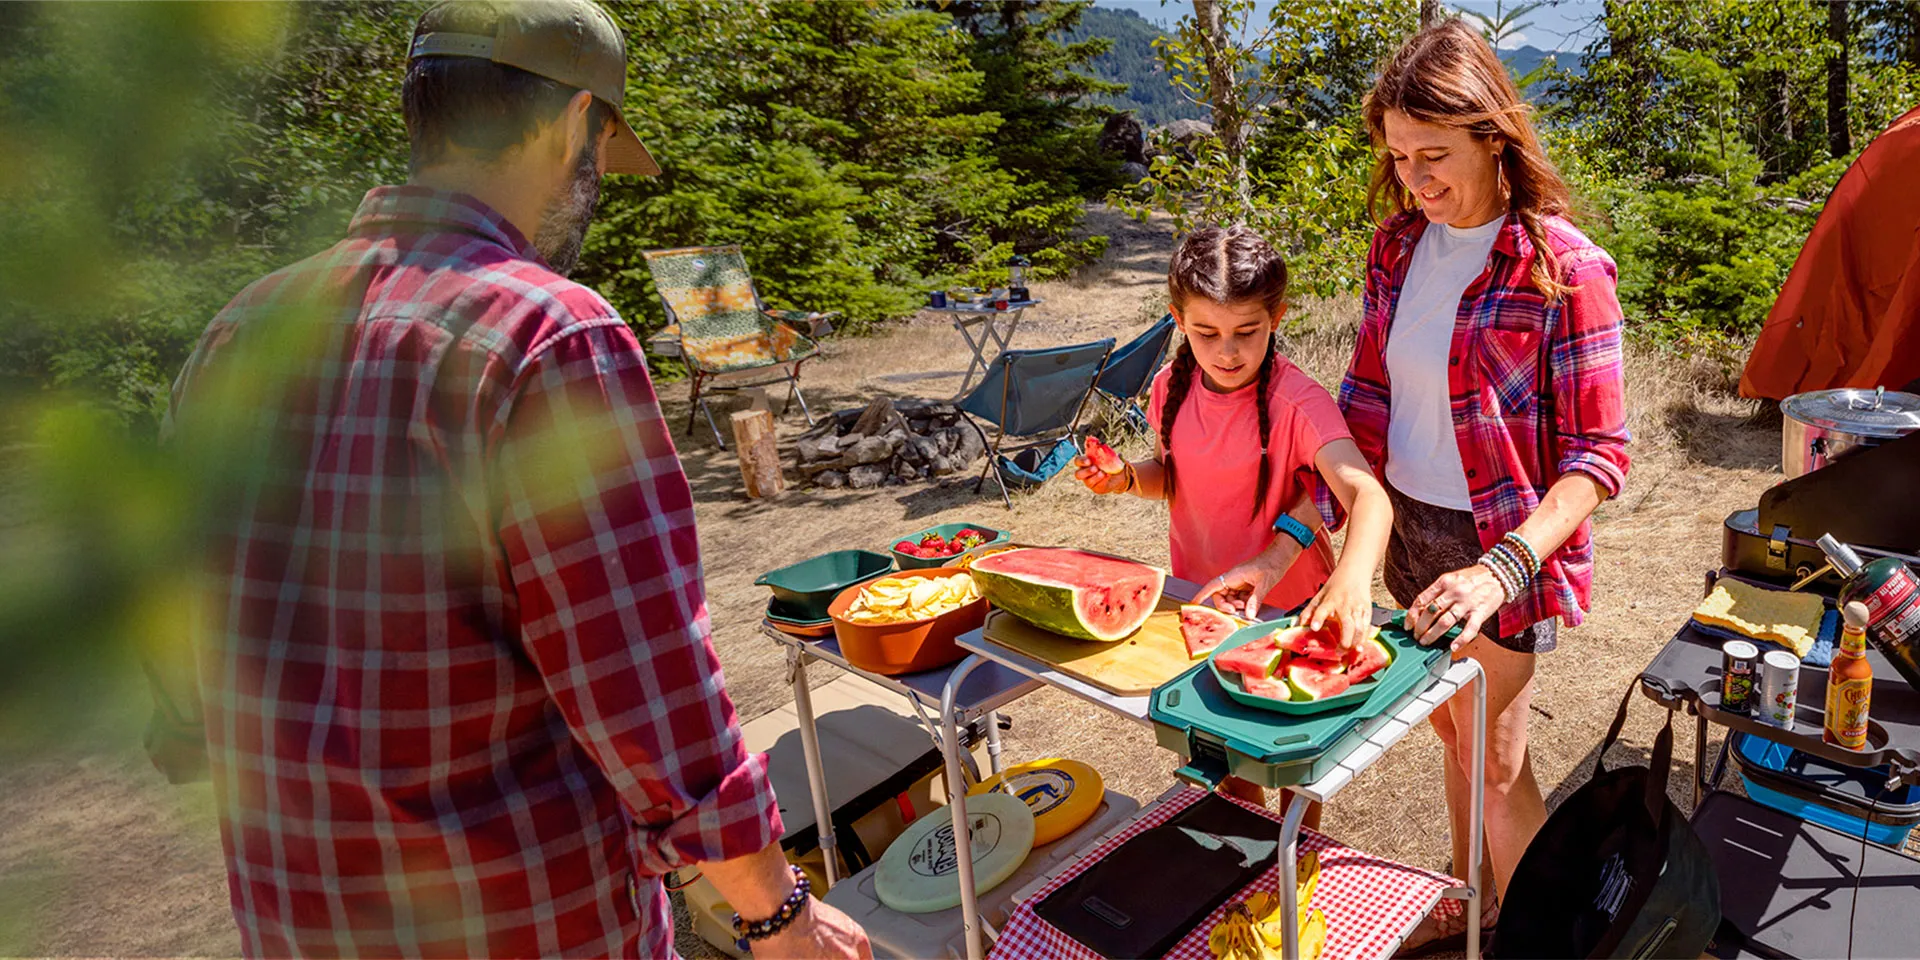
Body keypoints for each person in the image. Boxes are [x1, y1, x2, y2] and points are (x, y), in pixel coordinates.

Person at [150, 2, 870, 957]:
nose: (592, 185)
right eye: (601, 154)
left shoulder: (243, 328)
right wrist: (776, 914)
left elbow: (171, 636)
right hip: (523, 915)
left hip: (297, 912)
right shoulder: (548, 336)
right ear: (579, 121)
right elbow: (647, 691)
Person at [1324, 21, 1631, 955]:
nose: (1416, 178)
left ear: (1494, 136)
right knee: (1452, 740)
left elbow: (1600, 457)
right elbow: (1368, 396)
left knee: (1499, 765)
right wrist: (1332, 527)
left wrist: (1502, 569)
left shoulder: (1563, 269)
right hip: (1407, 534)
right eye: (1399, 157)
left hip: (1498, 544)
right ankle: (1475, 900)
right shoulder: (1397, 248)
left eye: (1434, 155)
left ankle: (1537, 934)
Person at [1072, 226, 1395, 813]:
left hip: (1291, 610)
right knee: (1227, 768)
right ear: (1177, 319)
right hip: (1202, 599)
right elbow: (1172, 479)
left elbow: (1368, 496)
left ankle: (1299, 861)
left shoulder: (1300, 403)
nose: (1227, 352)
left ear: (1277, 317)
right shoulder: (1170, 386)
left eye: (1247, 332)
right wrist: (1123, 478)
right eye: (1206, 333)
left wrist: (1351, 583)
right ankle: (1247, 872)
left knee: (1293, 770)